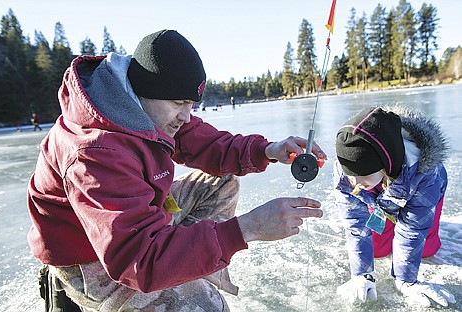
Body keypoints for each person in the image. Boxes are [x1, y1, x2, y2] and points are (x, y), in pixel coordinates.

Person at [27, 29, 326, 311]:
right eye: (179, 103)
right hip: (93, 256)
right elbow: (137, 259)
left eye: (191, 104)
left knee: (220, 183)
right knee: (207, 307)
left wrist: (268, 150)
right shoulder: (94, 153)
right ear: (144, 91)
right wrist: (247, 228)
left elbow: (208, 144)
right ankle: (171, 274)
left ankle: (186, 265)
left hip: (131, 221)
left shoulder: (144, 108)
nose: (186, 115)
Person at [333, 105, 456, 308]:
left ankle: (428, 229)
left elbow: (412, 230)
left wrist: (406, 281)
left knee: (425, 249)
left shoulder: (426, 175)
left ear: (383, 164)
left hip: (419, 192)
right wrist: (362, 274)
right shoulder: (347, 170)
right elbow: (355, 224)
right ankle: (387, 211)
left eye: (361, 175)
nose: (354, 182)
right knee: (377, 250)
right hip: (380, 189)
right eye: (350, 175)